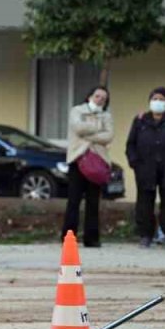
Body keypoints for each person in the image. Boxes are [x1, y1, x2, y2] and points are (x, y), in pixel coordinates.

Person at [126, 87, 165, 249]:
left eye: (161, 99)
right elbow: (131, 144)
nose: (158, 102)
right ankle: (145, 235)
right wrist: (135, 163)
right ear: (150, 101)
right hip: (145, 168)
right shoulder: (140, 120)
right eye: (155, 99)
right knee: (144, 202)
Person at [62, 86, 113, 249]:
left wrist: (89, 132)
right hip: (78, 159)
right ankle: (68, 236)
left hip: (97, 162)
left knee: (93, 202)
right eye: (97, 96)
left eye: (103, 98)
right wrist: (98, 127)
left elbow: (109, 135)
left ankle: (92, 238)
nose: (100, 100)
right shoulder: (77, 111)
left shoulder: (107, 115)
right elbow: (78, 128)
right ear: (90, 96)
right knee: (73, 201)